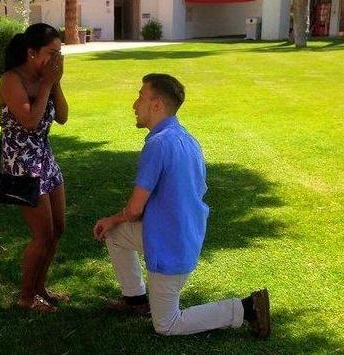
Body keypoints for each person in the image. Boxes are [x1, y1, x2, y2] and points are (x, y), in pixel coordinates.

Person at [93, 73, 271, 338]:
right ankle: (136, 300)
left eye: (140, 96)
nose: (134, 104)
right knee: (114, 235)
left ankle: (246, 309)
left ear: (157, 105)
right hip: (184, 235)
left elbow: (134, 210)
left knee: (166, 324)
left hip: (170, 248)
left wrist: (112, 217)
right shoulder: (186, 138)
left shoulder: (157, 144)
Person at [0, 23, 68, 312]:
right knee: (41, 235)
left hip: (45, 159)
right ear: (31, 52)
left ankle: (40, 287)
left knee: (58, 230)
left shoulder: (46, 78)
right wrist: (48, 84)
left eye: (59, 54)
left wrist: (56, 82)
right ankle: (26, 297)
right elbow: (29, 121)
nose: (57, 60)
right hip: (20, 165)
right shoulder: (11, 81)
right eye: (52, 53)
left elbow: (62, 116)